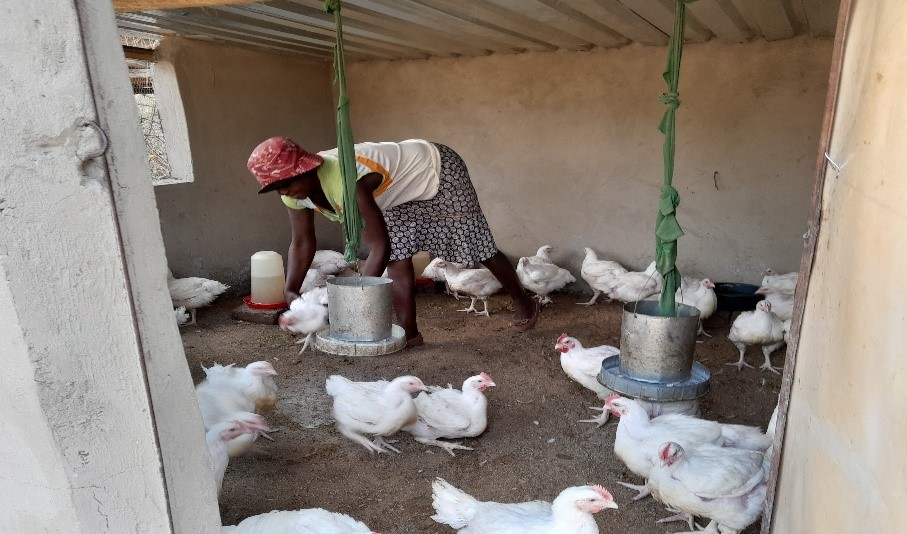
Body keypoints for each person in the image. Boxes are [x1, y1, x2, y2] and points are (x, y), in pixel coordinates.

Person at [247, 136, 539, 347]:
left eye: (288, 182)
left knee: (474, 243)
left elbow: (378, 246)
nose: (285, 192)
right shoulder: (292, 194)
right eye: (276, 187)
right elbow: (301, 242)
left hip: (435, 170)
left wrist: (349, 300)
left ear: (307, 168)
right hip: (391, 192)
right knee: (398, 258)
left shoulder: (347, 181)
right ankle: (409, 334)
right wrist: (290, 290)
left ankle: (525, 302)